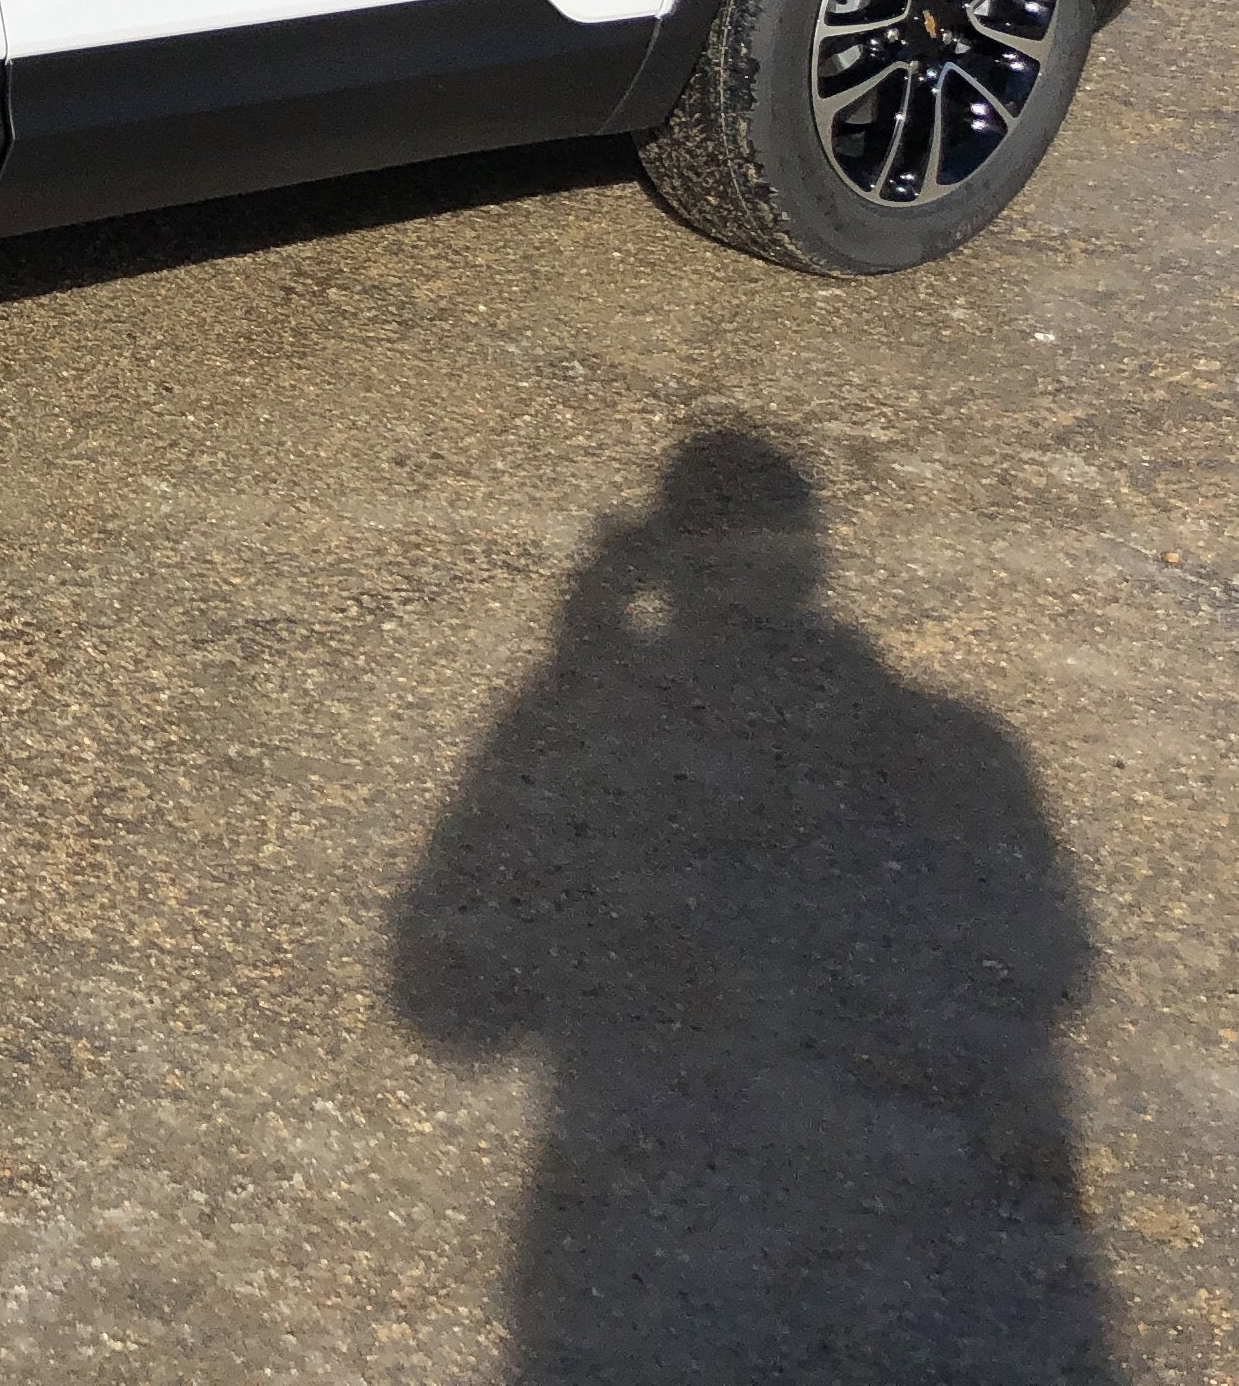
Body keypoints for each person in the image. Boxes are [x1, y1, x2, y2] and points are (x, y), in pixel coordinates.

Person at [391, 428, 1119, 1381]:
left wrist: (582, 644)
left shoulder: (603, 726)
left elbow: (453, 1009)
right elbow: (1057, 972)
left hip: (649, 1246)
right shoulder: (966, 746)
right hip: (930, 1258)